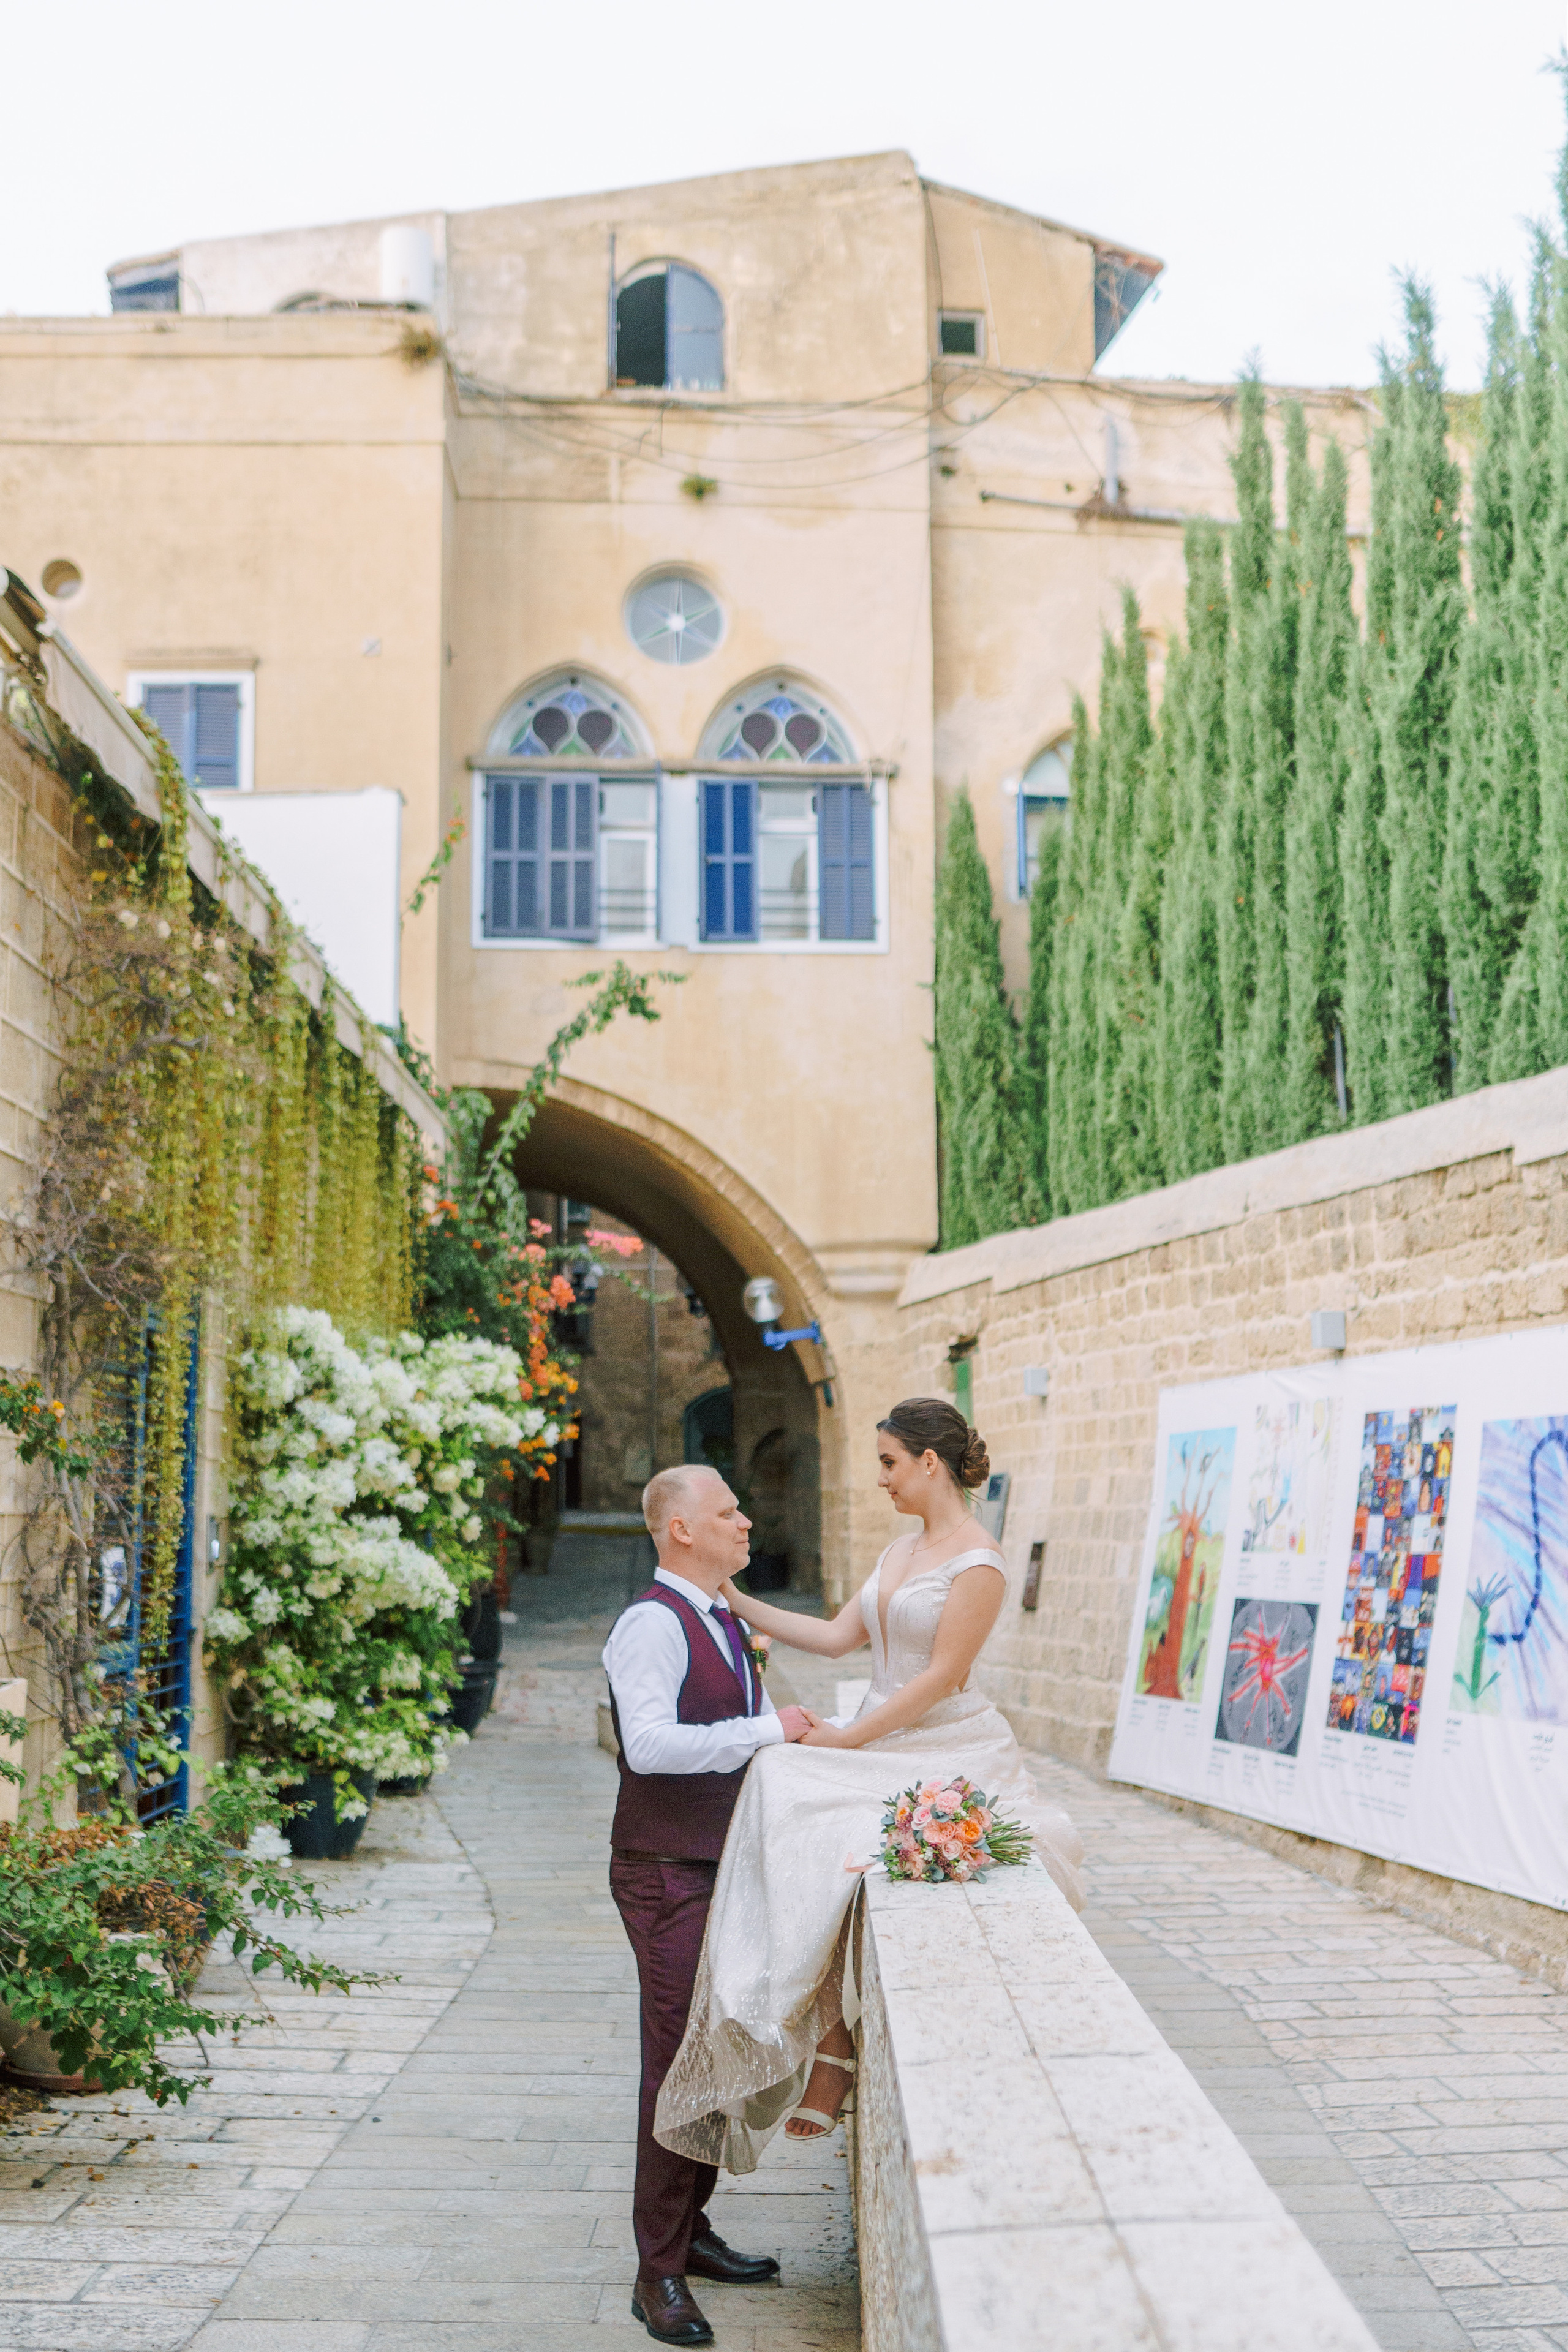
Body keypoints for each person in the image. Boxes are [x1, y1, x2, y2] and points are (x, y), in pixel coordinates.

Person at [654, 1396, 1084, 2175]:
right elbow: (833, 1637)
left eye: (888, 1462)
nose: (879, 1478)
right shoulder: (898, 1553)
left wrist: (847, 1742)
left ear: (928, 1462)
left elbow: (943, 1676)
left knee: (796, 1783)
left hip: (943, 1744)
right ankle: (825, 2034)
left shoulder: (978, 1562)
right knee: (781, 1778)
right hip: (881, 1735)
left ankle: (823, 2045)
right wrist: (732, 1600)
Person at [603, 1464, 818, 2348]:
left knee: (718, 2049)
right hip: (666, 1869)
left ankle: (690, 2234)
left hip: (721, 1864)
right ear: (680, 1530)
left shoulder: (722, 1617)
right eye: (727, 1512)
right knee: (677, 2059)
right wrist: (772, 1728)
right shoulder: (650, 1623)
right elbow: (650, 1747)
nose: (744, 1521)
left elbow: (754, 1734)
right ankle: (656, 2271)